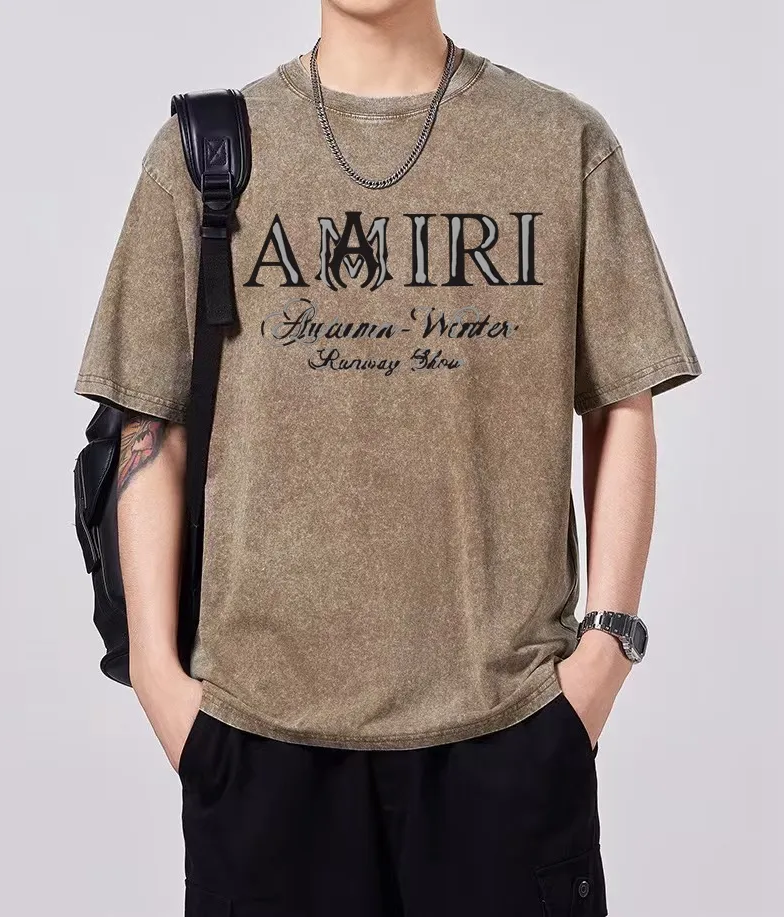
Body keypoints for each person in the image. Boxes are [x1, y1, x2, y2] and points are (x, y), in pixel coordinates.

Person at [73, 1, 701, 913]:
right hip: (259, 740)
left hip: (509, 730)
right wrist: (162, 689)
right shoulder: (198, 156)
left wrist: (606, 648)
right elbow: (150, 424)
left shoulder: (561, 143)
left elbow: (622, 400)